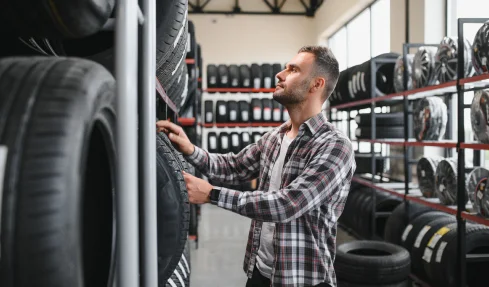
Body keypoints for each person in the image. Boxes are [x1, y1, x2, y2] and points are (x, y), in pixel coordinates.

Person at [156, 45, 355, 287]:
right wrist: (190, 150)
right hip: (260, 271)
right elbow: (234, 167)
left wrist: (211, 194)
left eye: (293, 70)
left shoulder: (335, 146)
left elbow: (288, 204)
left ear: (316, 84)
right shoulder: (276, 136)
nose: (279, 75)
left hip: (302, 278)